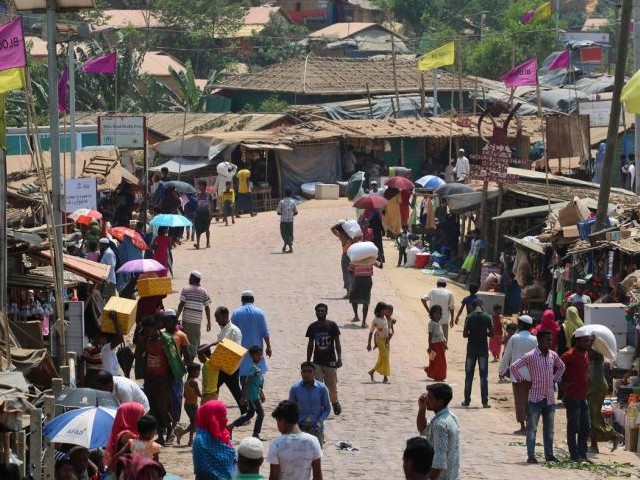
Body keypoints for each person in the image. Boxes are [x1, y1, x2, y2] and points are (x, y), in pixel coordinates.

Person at [509, 330, 566, 464]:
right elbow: (514, 367)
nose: (550, 342)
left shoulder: (553, 355)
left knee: (549, 430)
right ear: (540, 340)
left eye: (551, 340)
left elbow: (562, 367)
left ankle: (549, 455)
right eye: (547, 340)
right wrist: (522, 381)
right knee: (532, 429)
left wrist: (554, 379)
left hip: (550, 398)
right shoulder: (531, 355)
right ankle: (531, 455)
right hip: (535, 398)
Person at [134, 316, 186, 445]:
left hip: (163, 379)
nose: (145, 332)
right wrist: (141, 340)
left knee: (162, 407)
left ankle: (170, 429)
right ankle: (161, 434)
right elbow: (138, 355)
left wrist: (172, 378)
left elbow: (173, 358)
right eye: (144, 330)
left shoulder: (166, 340)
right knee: (152, 408)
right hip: (150, 379)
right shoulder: (146, 340)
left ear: (154, 328)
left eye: (147, 330)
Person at [498, 315, 538, 435]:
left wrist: (502, 370)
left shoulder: (514, 338)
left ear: (520, 325)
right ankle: (531, 426)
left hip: (517, 375)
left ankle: (523, 427)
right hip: (532, 375)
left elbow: (507, 355)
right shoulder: (534, 340)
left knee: (520, 401)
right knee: (530, 401)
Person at [267, 400, 323, 480]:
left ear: (282, 421)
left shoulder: (276, 444)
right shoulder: (313, 441)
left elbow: (273, 477)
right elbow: (318, 476)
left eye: (277, 421)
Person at [560, 330, 593, 462]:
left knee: (586, 426)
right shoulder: (568, 355)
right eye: (585, 341)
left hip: (583, 395)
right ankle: (574, 454)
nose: (587, 343)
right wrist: (562, 384)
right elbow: (556, 369)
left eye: (588, 340)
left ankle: (582, 453)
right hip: (572, 396)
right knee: (573, 426)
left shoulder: (585, 354)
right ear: (578, 341)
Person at [416, 383, 460, 480]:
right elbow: (422, 428)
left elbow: (439, 461)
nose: (427, 400)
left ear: (440, 402)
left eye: (430, 398)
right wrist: (422, 408)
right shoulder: (451, 417)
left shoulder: (439, 425)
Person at [306, 303, 342, 415]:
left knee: (331, 384)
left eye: (322, 311)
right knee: (317, 384)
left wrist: (339, 358)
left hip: (330, 360)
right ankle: (318, 406)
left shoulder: (332, 326)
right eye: (318, 311)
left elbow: (337, 343)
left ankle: (335, 402)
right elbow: (310, 344)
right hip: (317, 360)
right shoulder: (312, 327)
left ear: (326, 312)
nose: (320, 313)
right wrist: (308, 361)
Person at [232, 291, 272, 385]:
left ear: (242, 300)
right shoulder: (259, 312)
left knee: (244, 377)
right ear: (253, 299)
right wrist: (269, 347)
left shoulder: (237, 313)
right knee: (257, 378)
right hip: (256, 351)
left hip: (241, 351)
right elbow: (265, 332)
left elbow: (232, 332)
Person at [588, 349, 624, 452]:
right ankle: (612, 437)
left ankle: (611, 436)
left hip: (597, 386)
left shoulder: (595, 354)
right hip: (593, 385)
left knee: (593, 415)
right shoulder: (592, 353)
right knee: (593, 415)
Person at [289, 361, 331, 447]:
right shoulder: (295, 389)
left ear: (315, 374)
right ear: (301, 373)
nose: (307, 374)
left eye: (309, 371)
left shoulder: (322, 388)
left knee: (316, 457)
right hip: (300, 427)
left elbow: (327, 408)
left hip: (316, 427)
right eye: (304, 371)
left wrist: (320, 421)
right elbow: (290, 409)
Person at [192, 400, 236, 480]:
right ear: (214, 419)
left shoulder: (224, 435)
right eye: (223, 416)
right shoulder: (200, 441)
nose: (226, 419)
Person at [228, 346, 266, 440]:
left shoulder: (257, 368)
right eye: (257, 354)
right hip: (253, 396)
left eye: (260, 354)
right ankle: (256, 434)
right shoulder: (253, 368)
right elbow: (248, 382)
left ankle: (230, 426)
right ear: (252, 356)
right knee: (261, 413)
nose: (260, 356)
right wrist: (243, 397)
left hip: (255, 394)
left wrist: (261, 393)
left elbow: (257, 383)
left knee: (250, 414)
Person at [461, 298, 493, 408]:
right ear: (481, 305)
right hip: (483, 348)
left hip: (471, 348)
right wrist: (484, 333)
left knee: (469, 375)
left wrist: (472, 333)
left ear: (471, 306)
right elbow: (492, 334)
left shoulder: (469, 317)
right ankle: (485, 402)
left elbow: (465, 335)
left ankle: (466, 400)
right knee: (483, 376)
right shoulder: (487, 317)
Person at [176, 271, 212, 358]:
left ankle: (188, 362)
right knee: (195, 341)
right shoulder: (204, 292)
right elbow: (207, 307)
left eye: (190, 277)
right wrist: (209, 322)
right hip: (197, 321)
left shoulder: (186, 289)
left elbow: (181, 304)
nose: (189, 278)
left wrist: (176, 317)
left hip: (187, 320)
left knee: (186, 340)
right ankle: (190, 360)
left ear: (193, 279)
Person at [104, 402, 146, 472]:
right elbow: (144, 450)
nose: (143, 421)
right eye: (141, 417)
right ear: (132, 416)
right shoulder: (128, 436)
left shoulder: (122, 433)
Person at [349, 258, 382, 328]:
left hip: (357, 279)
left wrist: (354, 275)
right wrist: (380, 259)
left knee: (354, 297)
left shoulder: (356, 258)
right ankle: (364, 322)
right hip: (367, 280)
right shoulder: (370, 259)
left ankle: (356, 316)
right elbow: (380, 266)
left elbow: (350, 270)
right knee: (365, 300)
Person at [176, 362, 201, 446]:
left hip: (187, 405)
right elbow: (199, 394)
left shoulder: (186, 382)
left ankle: (182, 434)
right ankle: (189, 439)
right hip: (193, 405)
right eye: (198, 371)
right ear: (193, 372)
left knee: (194, 422)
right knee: (194, 423)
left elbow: (185, 395)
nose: (199, 373)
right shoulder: (194, 383)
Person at [367, 302, 392, 383]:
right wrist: (369, 344)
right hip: (380, 340)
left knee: (383, 358)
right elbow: (371, 332)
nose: (386, 311)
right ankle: (385, 377)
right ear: (380, 310)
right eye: (384, 309)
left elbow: (388, 328)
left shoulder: (385, 318)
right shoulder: (375, 320)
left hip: (386, 340)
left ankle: (372, 371)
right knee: (385, 358)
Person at [330, 222, 357, 298]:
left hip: (346, 256)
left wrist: (339, 224)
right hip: (354, 255)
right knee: (353, 273)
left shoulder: (342, 237)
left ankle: (349, 292)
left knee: (346, 274)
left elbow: (332, 229)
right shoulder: (353, 237)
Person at [425, 305, 447, 381]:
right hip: (435, 345)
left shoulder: (439, 322)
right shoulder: (431, 323)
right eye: (435, 313)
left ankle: (441, 375)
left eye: (438, 313)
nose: (437, 314)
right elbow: (430, 335)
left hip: (441, 344)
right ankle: (436, 375)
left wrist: (444, 344)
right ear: (431, 313)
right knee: (436, 361)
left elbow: (442, 334)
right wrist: (429, 346)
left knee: (442, 361)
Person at [194, 180, 215, 250]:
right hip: (198, 214)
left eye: (201, 185)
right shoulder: (197, 195)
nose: (200, 187)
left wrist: (211, 213)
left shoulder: (209, 195)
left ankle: (208, 243)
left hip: (206, 214)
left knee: (207, 228)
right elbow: (196, 204)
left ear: (204, 186)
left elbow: (212, 204)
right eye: (199, 185)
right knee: (197, 229)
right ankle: (198, 244)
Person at [277, 188, 298, 253]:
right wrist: (291, 214)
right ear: (291, 194)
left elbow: (278, 212)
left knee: (284, 234)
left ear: (285, 194)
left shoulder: (281, 202)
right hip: (291, 221)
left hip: (283, 221)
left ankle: (291, 248)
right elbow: (296, 212)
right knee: (289, 234)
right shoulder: (293, 202)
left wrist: (284, 213)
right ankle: (284, 247)